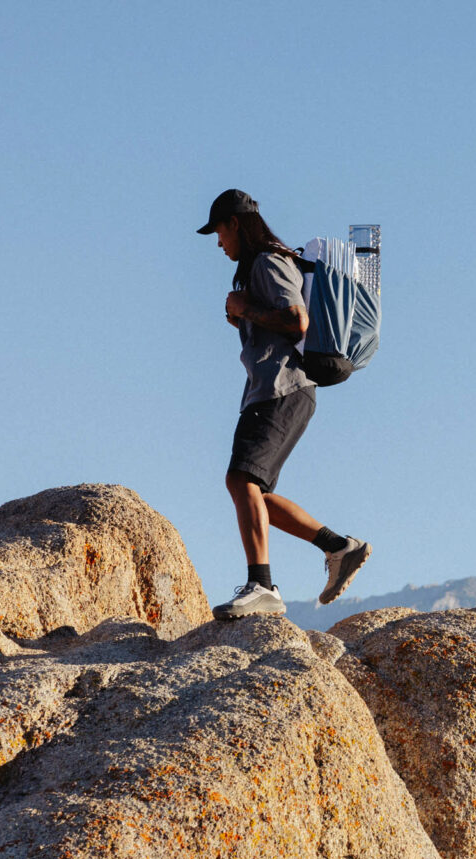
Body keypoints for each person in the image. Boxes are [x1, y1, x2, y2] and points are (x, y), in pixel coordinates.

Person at [197, 189, 371, 621]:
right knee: (255, 493)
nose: (219, 242)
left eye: (219, 231)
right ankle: (338, 547)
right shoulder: (260, 267)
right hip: (279, 390)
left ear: (235, 224)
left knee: (241, 479)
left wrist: (247, 309)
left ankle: (262, 585)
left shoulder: (268, 261)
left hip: (281, 388)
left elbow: (297, 320)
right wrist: (245, 313)